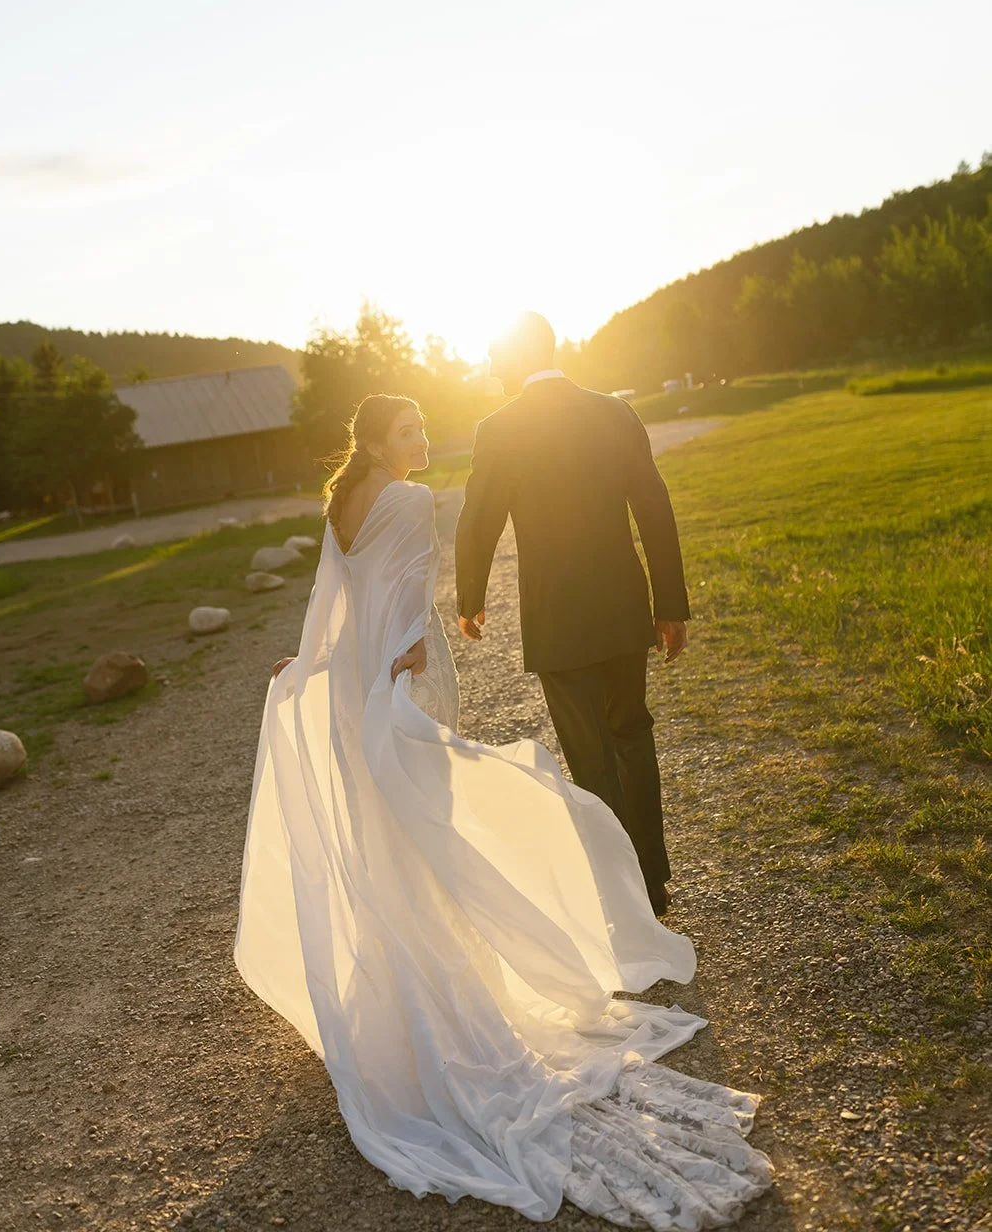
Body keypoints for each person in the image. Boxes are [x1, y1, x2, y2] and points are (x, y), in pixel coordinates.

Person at [235, 393, 771, 1227]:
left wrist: (310, 666)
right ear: (376, 441)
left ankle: (396, 968)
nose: (421, 442)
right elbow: (407, 591)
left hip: (349, 683)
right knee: (432, 813)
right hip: (399, 671)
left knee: (386, 825)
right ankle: (456, 967)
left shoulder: (341, 500)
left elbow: (333, 604)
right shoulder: (409, 499)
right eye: (408, 432)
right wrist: (410, 660)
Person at [456, 312, 688, 915]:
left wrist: (470, 598)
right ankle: (653, 880)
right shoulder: (615, 412)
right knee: (632, 732)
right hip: (621, 604)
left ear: (509, 360)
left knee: (590, 753)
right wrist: (670, 605)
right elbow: (654, 508)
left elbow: (478, 516)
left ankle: (621, 889)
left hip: (556, 615)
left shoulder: (499, 427)